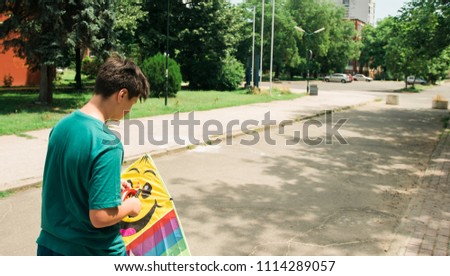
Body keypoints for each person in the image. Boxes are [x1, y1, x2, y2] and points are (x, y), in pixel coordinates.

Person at [36, 55, 150, 256]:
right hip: (92, 251)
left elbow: (71, 179)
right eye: (130, 105)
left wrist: (110, 185)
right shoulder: (107, 144)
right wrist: (131, 206)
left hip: (49, 246)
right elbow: (101, 216)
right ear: (121, 94)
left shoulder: (62, 126)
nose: (127, 112)